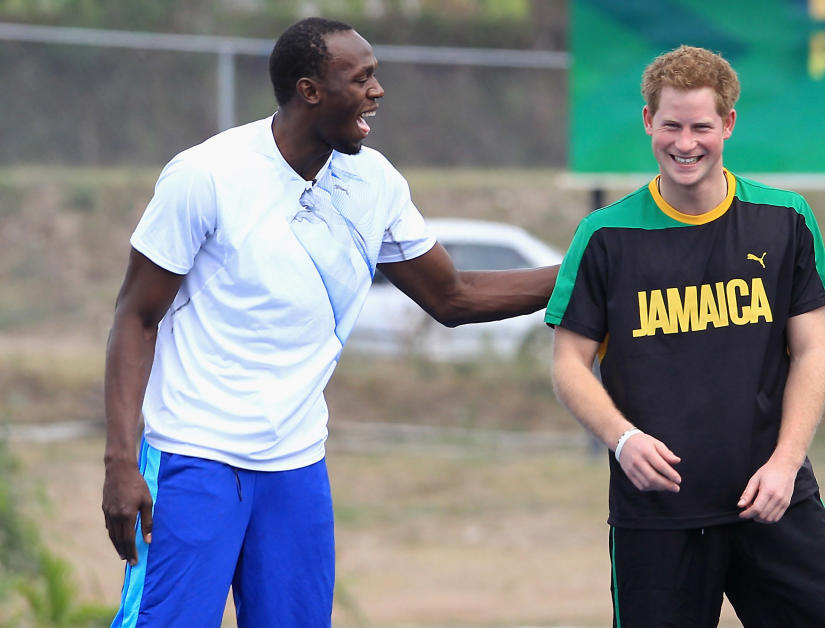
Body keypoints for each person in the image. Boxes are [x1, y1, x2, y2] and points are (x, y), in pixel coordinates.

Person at [102, 17, 558, 628]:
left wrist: (593, 266)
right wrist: (120, 464)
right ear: (310, 89)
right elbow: (135, 317)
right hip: (194, 457)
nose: (378, 91)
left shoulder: (374, 182)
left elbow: (454, 296)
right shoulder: (206, 175)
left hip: (296, 466)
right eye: (362, 77)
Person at [548, 46, 825, 627]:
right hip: (658, 515)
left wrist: (785, 462)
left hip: (771, 498)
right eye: (671, 124)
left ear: (727, 124)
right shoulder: (605, 236)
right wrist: (622, 439)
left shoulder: (785, 219)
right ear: (649, 122)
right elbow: (569, 363)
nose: (685, 142)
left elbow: (811, 351)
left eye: (701, 126)